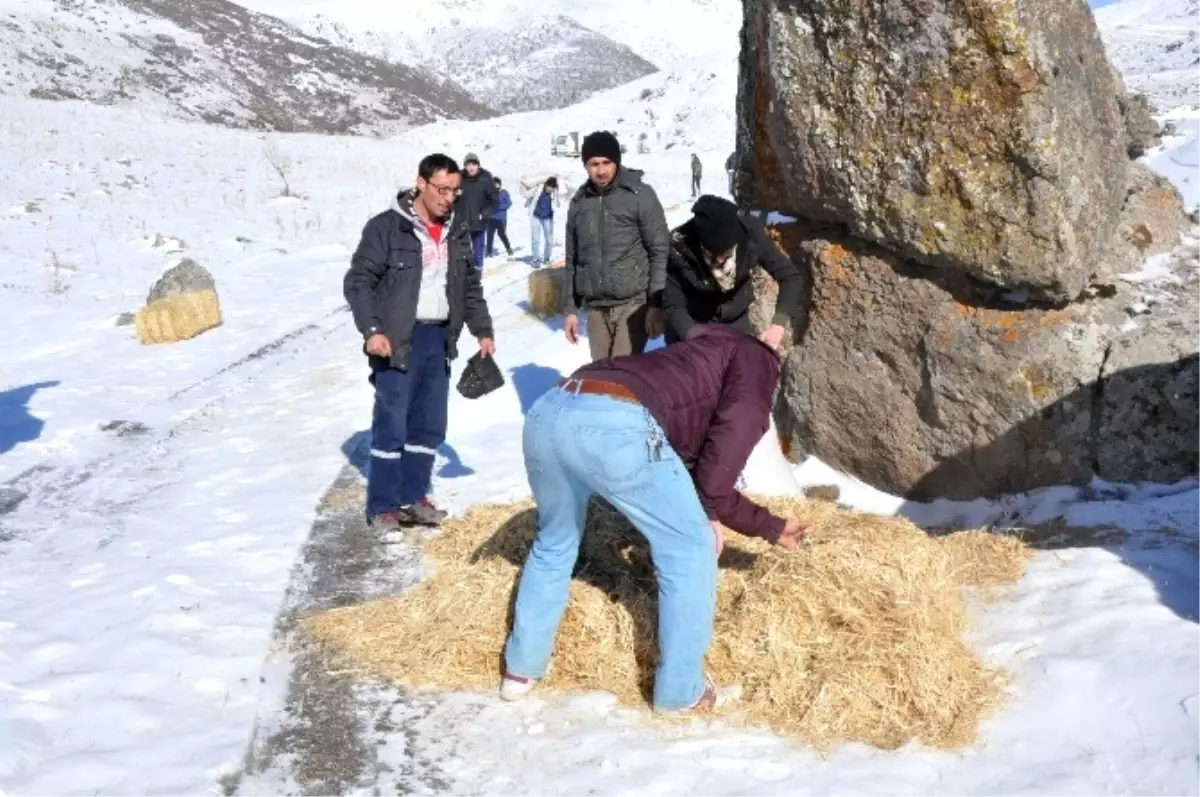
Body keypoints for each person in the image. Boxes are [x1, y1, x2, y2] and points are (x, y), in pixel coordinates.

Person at [499, 324, 806, 711]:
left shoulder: (696, 353)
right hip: (614, 424)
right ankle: (681, 693)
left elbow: (689, 449)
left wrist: (710, 504)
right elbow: (721, 463)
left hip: (550, 410)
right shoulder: (757, 359)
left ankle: (521, 669)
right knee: (690, 548)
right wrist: (765, 525)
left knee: (555, 540)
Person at [343, 153, 496, 529]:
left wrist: (483, 329)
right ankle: (382, 505)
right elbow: (357, 282)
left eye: (454, 192)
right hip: (397, 338)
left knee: (429, 426)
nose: (448, 199)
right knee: (392, 425)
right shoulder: (386, 229)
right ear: (421, 183)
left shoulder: (456, 231)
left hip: (439, 337)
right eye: (442, 190)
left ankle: (413, 497)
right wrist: (372, 330)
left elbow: (469, 286)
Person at [563, 131, 669, 361]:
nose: (601, 171)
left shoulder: (640, 196)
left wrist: (656, 304)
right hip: (595, 307)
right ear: (585, 166)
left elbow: (660, 251)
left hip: (632, 304)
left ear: (616, 162)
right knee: (601, 376)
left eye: (606, 163)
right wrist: (570, 309)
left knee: (622, 375)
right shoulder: (579, 203)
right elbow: (572, 259)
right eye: (594, 164)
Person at [664, 195, 806, 351]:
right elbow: (674, 304)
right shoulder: (679, 246)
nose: (718, 261)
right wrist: (692, 334)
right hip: (693, 323)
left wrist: (779, 323)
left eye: (725, 254)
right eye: (711, 254)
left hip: (736, 320)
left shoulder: (751, 235)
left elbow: (790, 276)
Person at [458, 152, 497, 269]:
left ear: (478, 165)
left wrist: (485, 213)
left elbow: (494, 200)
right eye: (468, 165)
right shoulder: (460, 178)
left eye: (473, 164)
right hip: (463, 220)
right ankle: (464, 270)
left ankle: (478, 268)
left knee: (478, 247)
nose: (471, 168)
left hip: (479, 220)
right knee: (463, 249)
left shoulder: (485, 178)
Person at [529, 177, 557, 266]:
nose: (550, 189)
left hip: (548, 218)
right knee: (535, 239)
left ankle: (547, 258)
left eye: (552, 187)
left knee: (549, 240)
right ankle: (535, 260)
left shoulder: (555, 194)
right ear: (545, 185)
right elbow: (526, 194)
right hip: (536, 216)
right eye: (549, 186)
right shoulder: (538, 190)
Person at [486, 177, 513, 258]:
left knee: (502, 234)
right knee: (490, 235)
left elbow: (508, 203)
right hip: (491, 218)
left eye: (497, 184)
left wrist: (498, 206)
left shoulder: (504, 193)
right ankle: (489, 251)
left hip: (501, 219)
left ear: (500, 185)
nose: (496, 186)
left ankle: (508, 248)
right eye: (494, 184)